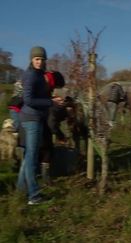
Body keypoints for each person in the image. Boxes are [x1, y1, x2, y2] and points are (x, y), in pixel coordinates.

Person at [17, 46, 63, 205]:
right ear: (31, 59)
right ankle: (34, 196)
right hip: (31, 118)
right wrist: (50, 102)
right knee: (32, 157)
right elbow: (28, 100)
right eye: (37, 59)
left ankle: (20, 190)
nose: (39, 62)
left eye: (42, 59)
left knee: (29, 155)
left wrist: (52, 99)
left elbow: (39, 96)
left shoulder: (39, 74)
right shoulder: (31, 75)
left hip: (35, 117)